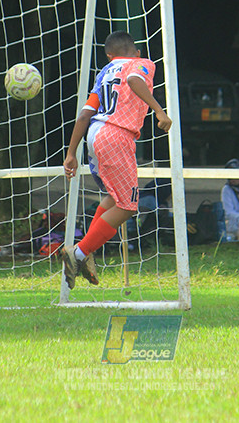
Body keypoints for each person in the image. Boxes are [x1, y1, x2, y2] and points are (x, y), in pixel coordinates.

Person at [60, 31, 172, 288]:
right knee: (127, 206)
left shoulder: (105, 73)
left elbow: (84, 115)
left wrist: (71, 153)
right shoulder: (141, 64)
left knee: (113, 197)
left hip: (94, 135)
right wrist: (159, 110)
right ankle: (77, 253)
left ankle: (85, 252)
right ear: (137, 52)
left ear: (109, 55)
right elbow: (134, 80)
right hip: (116, 135)